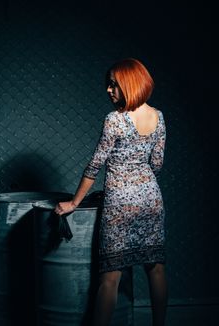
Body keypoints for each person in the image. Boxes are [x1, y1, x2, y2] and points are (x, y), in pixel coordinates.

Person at [55, 58, 168, 326]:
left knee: (110, 277)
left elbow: (95, 164)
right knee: (156, 268)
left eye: (113, 85)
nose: (108, 90)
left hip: (119, 202)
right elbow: (157, 163)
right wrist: (139, 181)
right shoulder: (158, 116)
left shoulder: (115, 120)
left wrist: (74, 202)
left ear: (129, 84)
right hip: (151, 198)